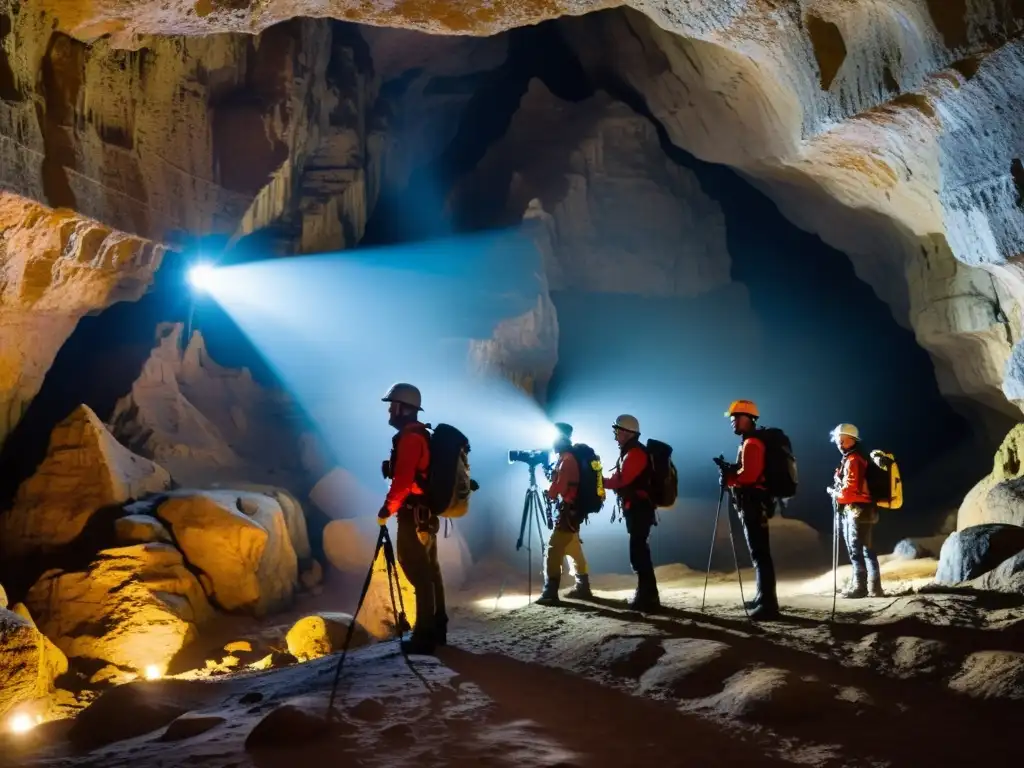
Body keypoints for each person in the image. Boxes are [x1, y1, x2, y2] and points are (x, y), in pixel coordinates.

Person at [377, 382, 446, 654]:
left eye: (392, 406)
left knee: (418, 571)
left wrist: (387, 509)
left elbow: (404, 482)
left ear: (403, 408)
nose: (389, 412)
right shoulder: (420, 434)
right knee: (430, 571)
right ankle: (437, 627)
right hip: (425, 515)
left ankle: (424, 636)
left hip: (413, 515)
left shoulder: (410, 438)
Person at [719, 399, 779, 620]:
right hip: (755, 503)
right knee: (759, 554)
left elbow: (749, 476)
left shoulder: (752, 443)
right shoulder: (750, 441)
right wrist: (734, 471)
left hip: (754, 503)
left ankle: (768, 605)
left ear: (749, 418)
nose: (732, 422)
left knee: (760, 554)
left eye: (736, 417)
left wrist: (730, 477)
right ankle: (763, 597)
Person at [603, 414, 660, 611]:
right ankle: (647, 595)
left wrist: (599, 481)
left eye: (617, 431)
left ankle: (647, 597)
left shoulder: (635, 454)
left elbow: (621, 480)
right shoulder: (631, 451)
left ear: (627, 433)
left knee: (639, 553)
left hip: (639, 509)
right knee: (639, 551)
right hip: (637, 508)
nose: (615, 436)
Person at [537, 423, 593, 605]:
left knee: (553, 549)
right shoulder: (569, 457)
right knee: (573, 547)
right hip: (574, 511)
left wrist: (550, 492)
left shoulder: (566, 460)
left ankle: (550, 592)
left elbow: (560, 487)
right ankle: (583, 587)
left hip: (568, 511)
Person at [827, 423, 883, 598]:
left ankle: (860, 588)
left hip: (857, 510)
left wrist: (835, 494)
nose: (839, 444)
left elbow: (850, 491)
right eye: (838, 440)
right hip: (866, 510)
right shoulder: (858, 458)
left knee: (856, 550)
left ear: (852, 440)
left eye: (843, 440)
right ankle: (875, 588)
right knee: (867, 550)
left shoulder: (853, 460)